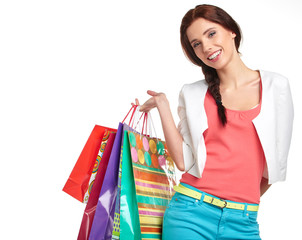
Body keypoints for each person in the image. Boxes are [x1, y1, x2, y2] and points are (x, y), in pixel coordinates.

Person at [134, 4, 294, 240]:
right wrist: (162, 105)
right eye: (196, 43)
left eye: (211, 34)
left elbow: (275, 165)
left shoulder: (276, 87)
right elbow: (182, 161)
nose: (206, 47)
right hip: (189, 215)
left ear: (231, 31)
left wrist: (238, 204)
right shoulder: (193, 94)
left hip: (244, 222)